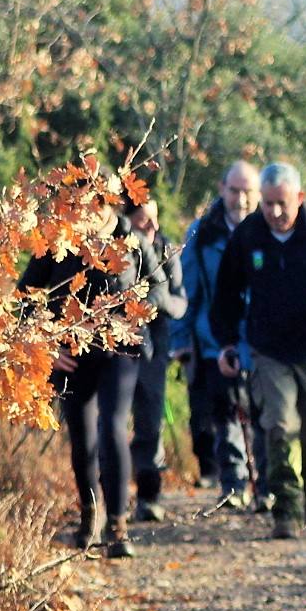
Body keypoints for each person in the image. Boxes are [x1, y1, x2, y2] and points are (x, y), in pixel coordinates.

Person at [210, 162, 306, 540]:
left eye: (282, 203)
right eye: (267, 204)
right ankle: (286, 508)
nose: (275, 213)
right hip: (269, 350)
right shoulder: (249, 236)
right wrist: (228, 342)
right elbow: (226, 293)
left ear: (299, 198)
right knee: (279, 427)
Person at [21, 198, 183, 559]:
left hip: (120, 351)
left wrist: (134, 312)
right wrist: (47, 346)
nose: (88, 212)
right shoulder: (56, 242)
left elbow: (159, 290)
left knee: (112, 428)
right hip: (72, 355)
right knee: (83, 438)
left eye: (98, 202)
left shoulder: (131, 239)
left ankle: (118, 524)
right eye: (79, 204)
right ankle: (89, 519)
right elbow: (26, 299)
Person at [181, 162, 267, 510]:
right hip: (213, 339)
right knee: (226, 413)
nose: (242, 199)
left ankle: (266, 483)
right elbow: (188, 289)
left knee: (263, 412)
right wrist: (181, 339)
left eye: (248, 191)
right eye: (235, 191)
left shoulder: (268, 230)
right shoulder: (202, 234)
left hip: (262, 337)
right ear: (222, 188)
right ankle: (233, 483)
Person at [126, 198, 187, 524]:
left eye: (154, 219)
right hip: (120, 346)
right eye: (141, 220)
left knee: (150, 421)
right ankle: (115, 497)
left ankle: (149, 496)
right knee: (114, 422)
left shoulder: (168, 252)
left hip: (156, 346)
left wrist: (158, 301)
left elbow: (180, 304)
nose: (150, 227)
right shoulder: (116, 251)